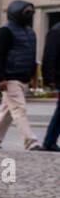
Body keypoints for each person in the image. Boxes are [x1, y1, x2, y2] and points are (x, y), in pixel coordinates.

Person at [0, 0, 41, 151]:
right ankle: (31, 142)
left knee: (7, 112)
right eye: (27, 12)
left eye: (31, 12)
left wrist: (33, 77)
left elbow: (32, 56)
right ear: (16, 13)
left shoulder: (30, 32)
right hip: (10, 78)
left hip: (23, 77)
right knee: (19, 109)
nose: (30, 15)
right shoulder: (5, 31)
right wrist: (0, 78)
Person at [39, 20, 60, 151]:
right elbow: (49, 55)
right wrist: (49, 78)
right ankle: (49, 141)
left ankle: (49, 141)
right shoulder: (57, 30)